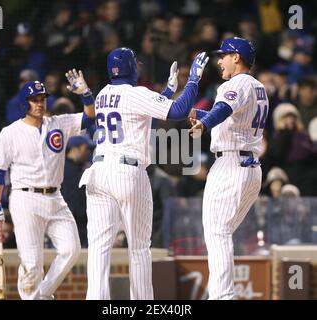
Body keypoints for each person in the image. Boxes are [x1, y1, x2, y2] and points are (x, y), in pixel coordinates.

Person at [74, 47, 208, 299]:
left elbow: (142, 118)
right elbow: (178, 112)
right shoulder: (135, 93)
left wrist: (167, 91)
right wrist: (193, 79)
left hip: (99, 172)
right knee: (138, 248)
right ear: (130, 67)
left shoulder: (103, 93)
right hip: (127, 172)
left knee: (99, 249)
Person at [0, 75, 95, 299]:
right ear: (24, 103)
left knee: (72, 249)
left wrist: (86, 94)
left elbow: (88, 118)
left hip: (55, 197)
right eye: (34, 99)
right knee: (32, 263)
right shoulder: (10, 132)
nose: (39, 103)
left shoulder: (58, 123)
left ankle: (42, 294)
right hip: (25, 199)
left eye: (42, 98)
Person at [189, 37, 268, 299]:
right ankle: (221, 294)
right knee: (221, 233)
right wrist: (200, 116)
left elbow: (223, 109)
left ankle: (222, 296)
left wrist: (204, 124)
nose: (219, 60)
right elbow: (231, 116)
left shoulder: (237, 82)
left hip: (231, 165)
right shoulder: (258, 87)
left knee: (217, 232)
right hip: (250, 167)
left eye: (224, 55)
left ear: (237, 57)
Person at [61, 135, 95, 248]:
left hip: (81, 224)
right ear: (74, 149)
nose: (89, 153)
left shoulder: (82, 168)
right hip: (68, 223)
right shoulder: (63, 169)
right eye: (86, 149)